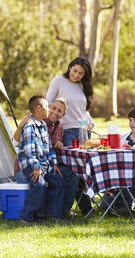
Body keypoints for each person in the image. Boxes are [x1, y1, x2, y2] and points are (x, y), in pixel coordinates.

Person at [12, 97, 78, 218]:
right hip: (31, 165)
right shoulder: (29, 126)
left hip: (44, 164)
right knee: (40, 184)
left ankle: (55, 215)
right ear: (38, 108)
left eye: (59, 110)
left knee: (59, 181)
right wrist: (36, 167)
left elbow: (49, 149)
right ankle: (27, 217)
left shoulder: (43, 125)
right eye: (49, 107)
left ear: (63, 114)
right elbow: (29, 151)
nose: (51, 111)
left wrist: (54, 163)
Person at [46, 56, 95, 216]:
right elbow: (48, 103)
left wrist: (90, 122)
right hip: (66, 132)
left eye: (81, 73)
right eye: (75, 71)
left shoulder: (82, 86)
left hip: (83, 131)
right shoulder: (59, 81)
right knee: (73, 169)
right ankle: (69, 209)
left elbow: (84, 110)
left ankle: (86, 208)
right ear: (70, 67)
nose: (77, 75)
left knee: (84, 170)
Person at [99, 107, 135, 215]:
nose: (132, 123)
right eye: (130, 120)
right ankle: (118, 201)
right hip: (118, 175)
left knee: (128, 175)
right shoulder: (123, 138)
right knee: (103, 206)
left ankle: (125, 205)